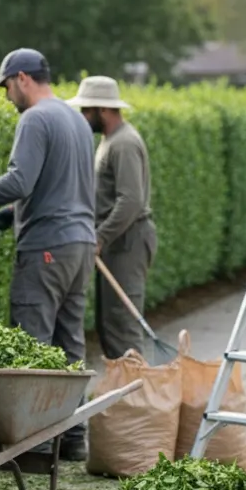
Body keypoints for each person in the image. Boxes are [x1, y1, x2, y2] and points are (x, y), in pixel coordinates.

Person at [0, 47, 98, 461]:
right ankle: (74, 437)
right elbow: (63, 185)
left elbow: (19, 181)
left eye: (7, 87)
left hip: (45, 250)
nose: (7, 96)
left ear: (23, 79)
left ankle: (35, 445)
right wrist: (11, 216)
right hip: (80, 246)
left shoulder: (35, 119)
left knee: (33, 344)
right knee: (69, 344)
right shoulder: (76, 121)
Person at [65, 75, 157, 361]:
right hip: (118, 241)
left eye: (86, 110)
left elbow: (131, 201)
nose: (83, 117)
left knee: (123, 326)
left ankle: (138, 401)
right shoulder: (110, 141)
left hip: (127, 241)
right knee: (111, 325)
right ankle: (125, 400)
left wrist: (101, 236)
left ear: (102, 110)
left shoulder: (124, 144)